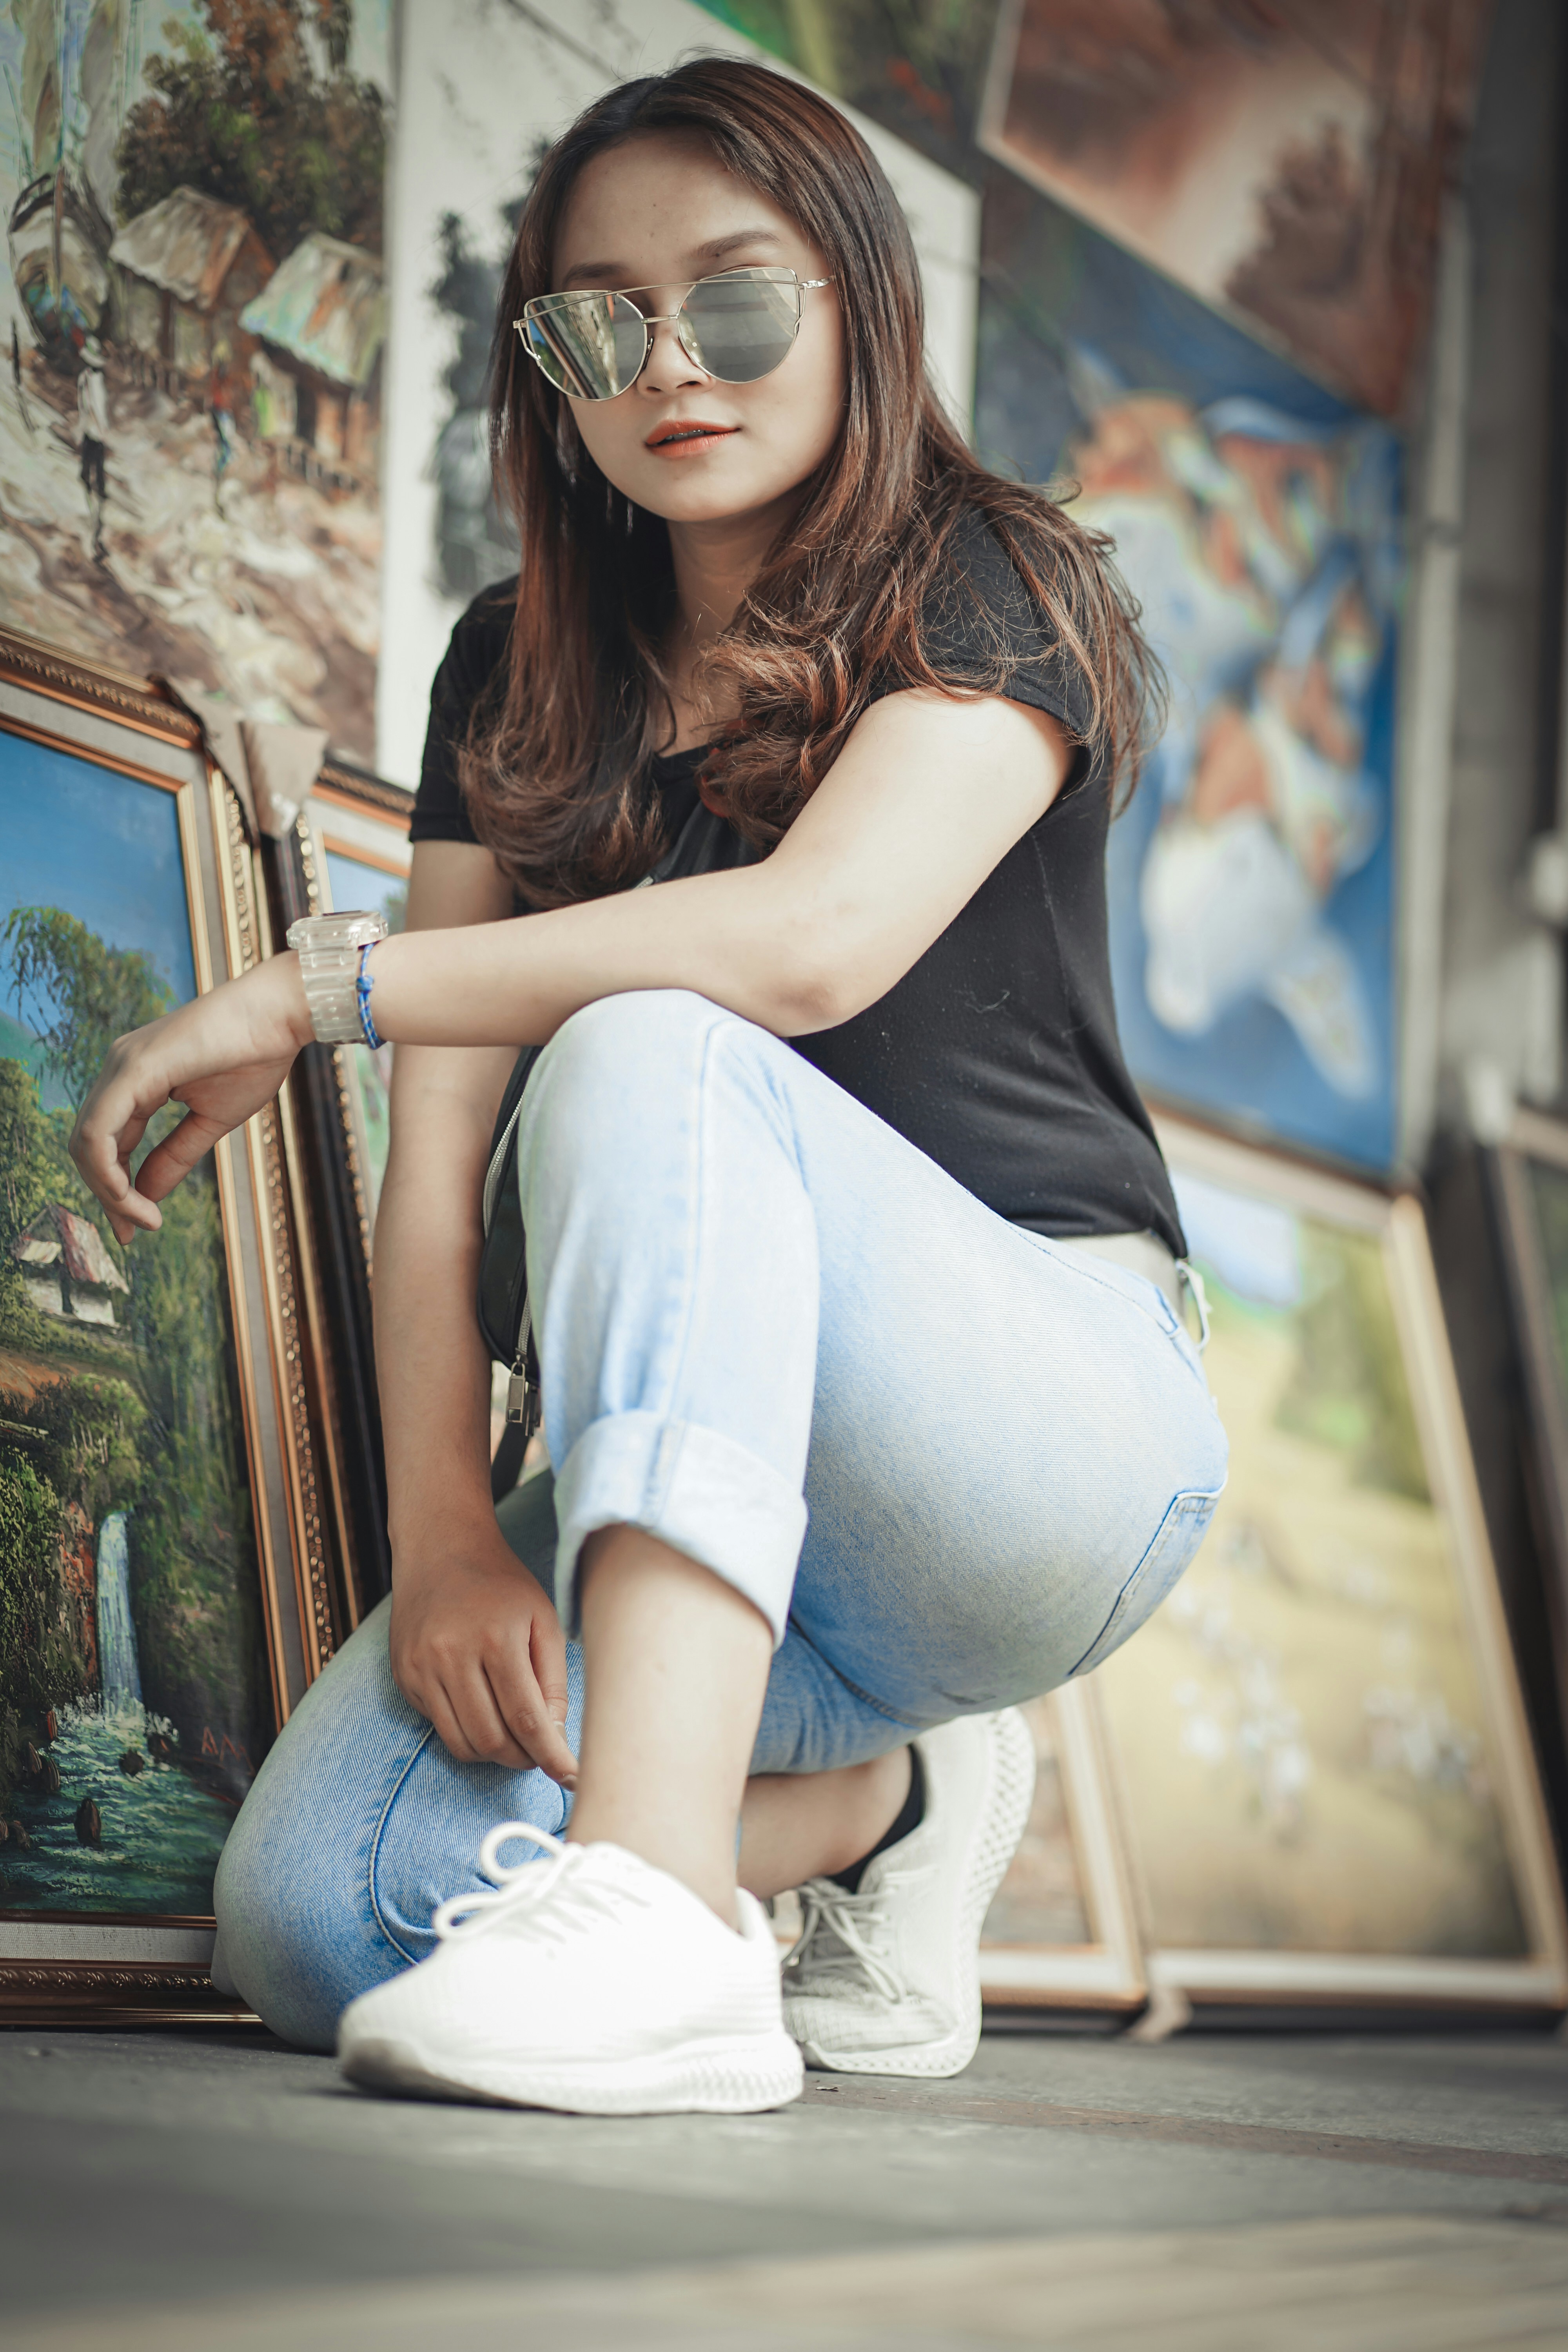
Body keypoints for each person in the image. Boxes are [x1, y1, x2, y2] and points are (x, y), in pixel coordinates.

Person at [69, 60, 1227, 2117]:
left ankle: (667, 1915)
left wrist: (308, 993)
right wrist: (444, 1538)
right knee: (320, 1926)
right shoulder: (517, 664)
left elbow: (807, 943)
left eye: (740, 302)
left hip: (1034, 1434)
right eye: (598, 319)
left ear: (859, 308)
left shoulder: (997, 576)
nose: (670, 363)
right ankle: (889, 1805)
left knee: (654, 1044)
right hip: (680, 1479)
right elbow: (434, 1175)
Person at [76, 336, 108, 560]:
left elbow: (88, 407)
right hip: (94, 435)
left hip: (92, 434)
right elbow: (93, 408)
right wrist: (101, 429)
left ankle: (96, 529)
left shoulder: (88, 379)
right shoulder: (91, 381)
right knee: (94, 480)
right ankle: (95, 530)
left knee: (93, 479)